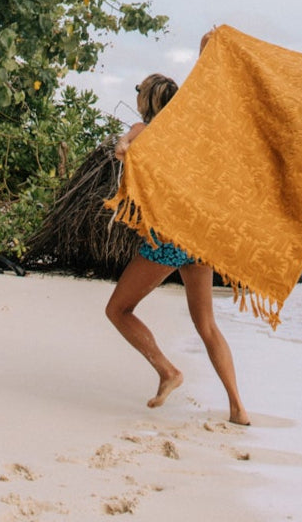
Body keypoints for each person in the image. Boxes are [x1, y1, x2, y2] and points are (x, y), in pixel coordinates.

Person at [104, 61, 250, 426]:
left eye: (138, 89)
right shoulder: (190, 133)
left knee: (118, 310)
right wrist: (209, 46)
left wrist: (125, 144)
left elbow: (122, 149)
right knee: (207, 326)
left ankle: (167, 371)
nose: (135, 95)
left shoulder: (143, 129)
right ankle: (237, 408)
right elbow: (209, 78)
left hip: (168, 240)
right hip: (199, 238)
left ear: (148, 99)